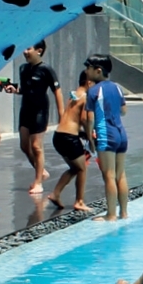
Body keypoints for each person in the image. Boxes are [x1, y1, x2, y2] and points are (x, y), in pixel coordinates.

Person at [8, 42, 62, 196]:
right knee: (25, 146)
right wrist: (15, 90)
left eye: (28, 49)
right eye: (24, 48)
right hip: (25, 110)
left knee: (37, 147)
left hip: (40, 111)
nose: (25, 52)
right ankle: (42, 171)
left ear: (39, 51)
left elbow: (57, 91)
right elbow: (25, 89)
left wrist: (61, 115)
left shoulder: (46, 69)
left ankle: (38, 181)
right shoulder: (23, 68)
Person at [86, 55, 130, 221]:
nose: (86, 71)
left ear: (98, 71)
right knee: (121, 175)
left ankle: (111, 214)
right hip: (121, 134)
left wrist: (90, 138)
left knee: (109, 175)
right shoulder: (117, 88)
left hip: (106, 135)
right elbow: (124, 111)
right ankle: (124, 213)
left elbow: (90, 118)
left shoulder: (93, 91)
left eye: (88, 68)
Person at [47, 75, 92, 212]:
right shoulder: (85, 97)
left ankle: (55, 194)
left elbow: (72, 119)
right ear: (89, 82)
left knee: (75, 168)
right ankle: (79, 201)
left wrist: (82, 133)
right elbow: (85, 119)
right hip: (69, 138)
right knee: (82, 168)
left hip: (58, 136)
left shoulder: (73, 95)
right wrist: (90, 135)